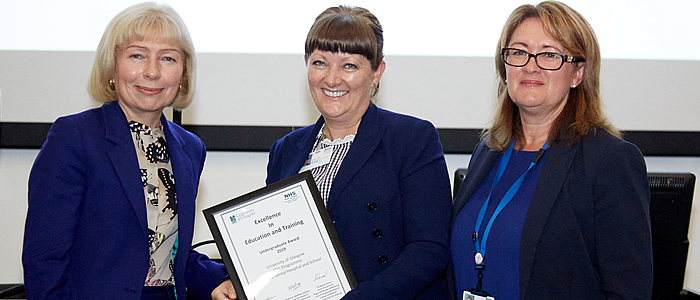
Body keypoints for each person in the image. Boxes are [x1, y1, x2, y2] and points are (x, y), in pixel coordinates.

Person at [212, 5, 452, 300]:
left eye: (349, 65)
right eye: (320, 63)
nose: (332, 79)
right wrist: (240, 281)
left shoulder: (412, 139)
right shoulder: (286, 150)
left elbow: (429, 250)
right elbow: (276, 247)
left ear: (377, 72)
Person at [448, 1, 652, 300]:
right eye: (518, 52)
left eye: (549, 55)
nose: (530, 65)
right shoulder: (488, 151)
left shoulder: (608, 160)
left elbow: (628, 291)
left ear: (578, 74)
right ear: (504, 69)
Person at [22, 3, 227, 299]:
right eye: (137, 56)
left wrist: (217, 280)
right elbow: (45, 259)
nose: (152, 72)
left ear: (183, 74)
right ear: (112, 68)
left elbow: (165, 250)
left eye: (168, 58)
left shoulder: (190, 149)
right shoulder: (75, 137)